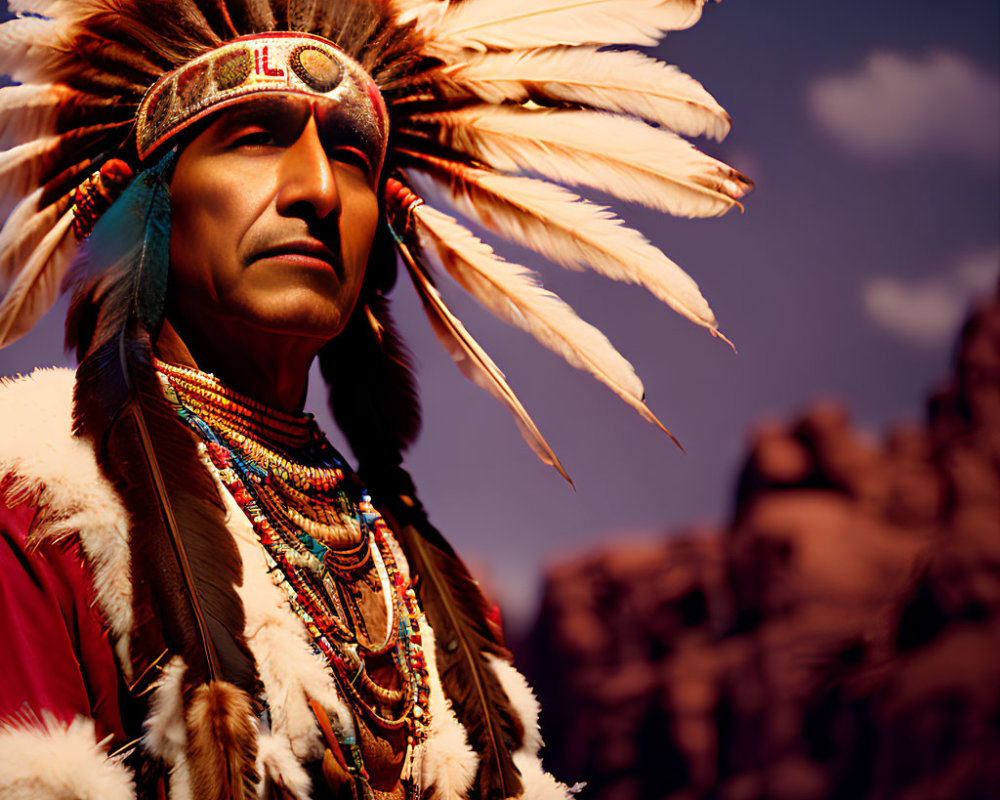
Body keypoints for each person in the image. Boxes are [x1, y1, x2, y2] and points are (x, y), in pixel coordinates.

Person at [0, 1, 748, 798]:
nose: (320, 189)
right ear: (145, 204)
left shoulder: (424, 586)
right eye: (254, 136)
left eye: (355, 156)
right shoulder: (39, 510)